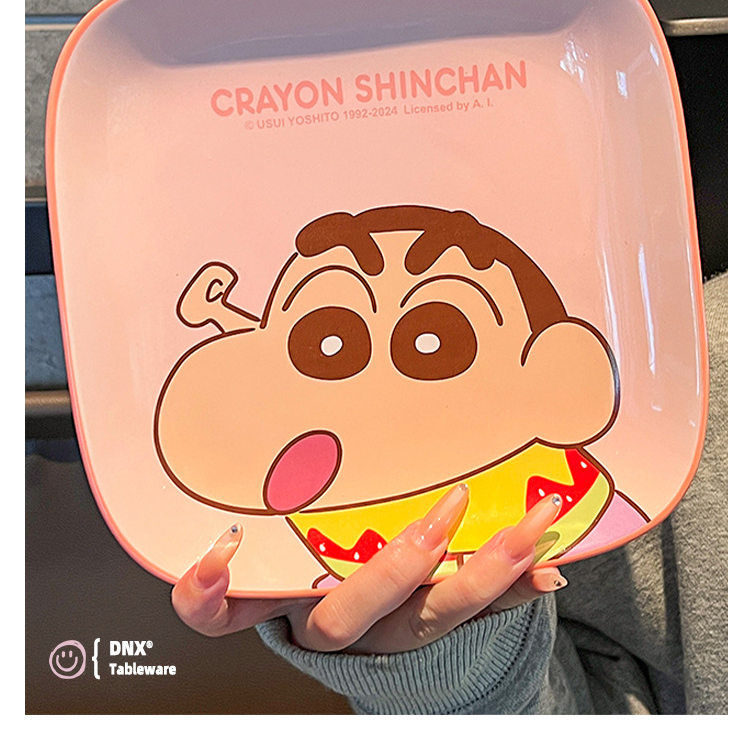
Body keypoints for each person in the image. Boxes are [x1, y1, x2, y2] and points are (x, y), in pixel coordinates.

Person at [171, 271, 727, 714]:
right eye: (328, 342)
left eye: (434, 339)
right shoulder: (674, 398)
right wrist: (439, 669)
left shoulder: (653, 422)